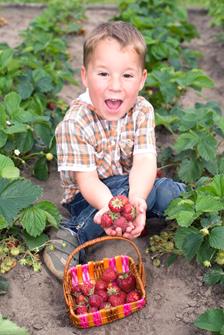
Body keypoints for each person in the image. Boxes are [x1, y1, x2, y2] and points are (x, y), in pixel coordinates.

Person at [43, 21, 185, 280]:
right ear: (85, 76)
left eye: (127, 75)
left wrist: (138, 201)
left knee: (167, 192)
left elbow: (144, 160)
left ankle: (149, 214)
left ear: (142, 79)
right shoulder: (75, 122)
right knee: (123, 193)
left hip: (133, 187)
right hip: (89, 197)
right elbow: (87, 180)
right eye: (103, 74)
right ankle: (72, 232)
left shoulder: (142, 110)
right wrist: (114, 209)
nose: (115, 86)